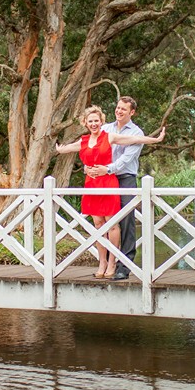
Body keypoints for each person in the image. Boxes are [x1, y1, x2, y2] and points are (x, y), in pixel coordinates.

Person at [56, 105, 165, 279]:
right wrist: (59, 149)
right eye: (90, 121)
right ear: (85, 123)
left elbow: (132, 140)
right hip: (91, 184)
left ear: (101, 121)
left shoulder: (109, 135)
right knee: (98, 225)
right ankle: (102, 262)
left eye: (96, 121)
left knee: (112, 224)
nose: (93, 124)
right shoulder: (84, 140)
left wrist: (155, 139)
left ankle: (114, 262)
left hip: (108, 181)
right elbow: (68, 148)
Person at [85, 96, 152, 280]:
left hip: (124, 178)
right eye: (118, 107)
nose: (119, 111)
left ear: (132, 112)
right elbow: (92, 148)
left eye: (124, 109)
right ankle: (107, 263)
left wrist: (107, 169)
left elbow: (125, 161)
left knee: (126, 221)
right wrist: (89, 166)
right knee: (105, 222)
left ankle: (125, 265)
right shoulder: (105, 128)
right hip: (104, 179)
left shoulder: (136, 133)